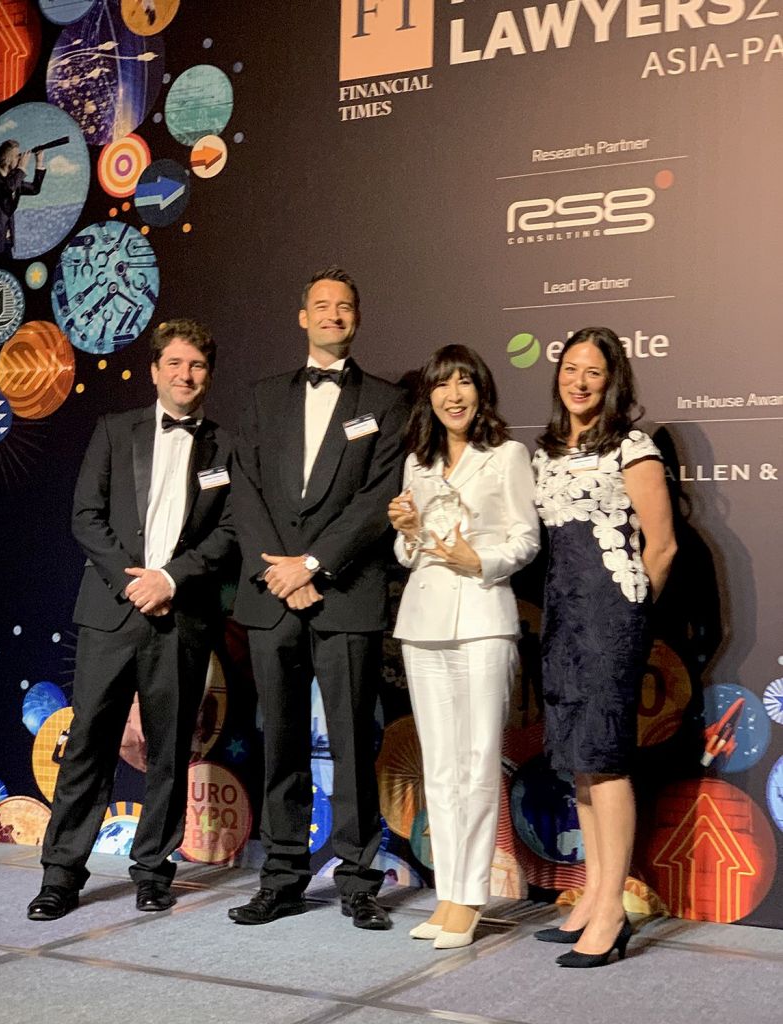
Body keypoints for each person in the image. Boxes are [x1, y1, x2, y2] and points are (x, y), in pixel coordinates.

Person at [27, 319, 236, 920]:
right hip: (111, 613)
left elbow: (229, 532)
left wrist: (169, 580)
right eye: (174, 364)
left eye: (196, 365)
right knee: (88, 743)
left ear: (208, 375)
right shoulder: (115, 431)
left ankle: (153, 871)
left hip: (181, 616)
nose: (185, 375)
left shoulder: (227, 447)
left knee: (168, 750)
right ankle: (61, 874)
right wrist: (135, 582)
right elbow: (86, 515)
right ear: (154, 371)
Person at [228, 266, 409, 930]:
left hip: (345, 593)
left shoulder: (387, 402)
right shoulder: (261, 397)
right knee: (279, 740)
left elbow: (379, 499)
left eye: (345, 306)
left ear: (357, 318)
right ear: (302, 316)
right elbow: (243, 489)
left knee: (354, 742)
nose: (334, 314)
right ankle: (281, 877)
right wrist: (280, 572)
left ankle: (359, 881)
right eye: (322, 305)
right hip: (272, 595)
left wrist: (312, 565)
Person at [532, 327, 676, 967]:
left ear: (612, 380)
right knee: (581, 761)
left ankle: (613, 910)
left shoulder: (632, 447)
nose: (580, 381)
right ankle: (592, 894)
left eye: (593, 371)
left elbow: (662, 545)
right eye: (570, 369)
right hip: (562, 617)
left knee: (606, 759)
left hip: (611, 617)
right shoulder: (544, 453)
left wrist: (630, 615)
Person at [387, 345, 540, 949]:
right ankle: (447, 894)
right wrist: (406, 532)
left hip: (482, 617)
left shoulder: (507, 456)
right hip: (423, 621)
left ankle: (471, 897)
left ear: (481, 391)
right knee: (440, 765)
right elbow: (410, 553)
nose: (453, 395)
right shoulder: (417, 463)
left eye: (464, 383)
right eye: (442, 385)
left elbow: (526, 538)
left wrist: (481, 560)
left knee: (477, 762)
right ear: (428, 396)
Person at [0, 139, 46, 268]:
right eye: (17, 156)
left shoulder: (14, 180)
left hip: (7, 242)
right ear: (8, 159)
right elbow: (7, 188)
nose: (20, 159)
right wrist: (22, 168)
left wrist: (39, 162)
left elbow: (35, 189)